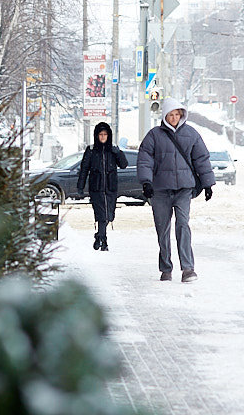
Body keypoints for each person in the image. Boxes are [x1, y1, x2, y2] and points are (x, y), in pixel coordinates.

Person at [137, 97, 216, 283]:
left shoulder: (191, 134)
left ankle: (188, 268)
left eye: (177, 114)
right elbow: (144, 159)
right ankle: (166, 268)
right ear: (164, 116)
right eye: (170, 115)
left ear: (182, 115)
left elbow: (201, 159)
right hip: (160, 189)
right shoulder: (154, 135)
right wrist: (146, 182)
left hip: (183, 189)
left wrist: (207, 184)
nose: (174, 118)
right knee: (162, 229)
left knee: (183, 224)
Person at [77, 121, 128, 251]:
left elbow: (123, 164)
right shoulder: (92, 150)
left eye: (105, 134)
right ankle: (103, 239)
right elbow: (84, 169)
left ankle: (100, 235)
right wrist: (80, 186)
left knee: (109, 214)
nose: (103, 137)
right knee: (101, 213)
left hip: (110, 187)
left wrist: (117, 152)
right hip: (96, 187)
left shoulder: (113, 149)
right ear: (97, 135)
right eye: (101, 134)